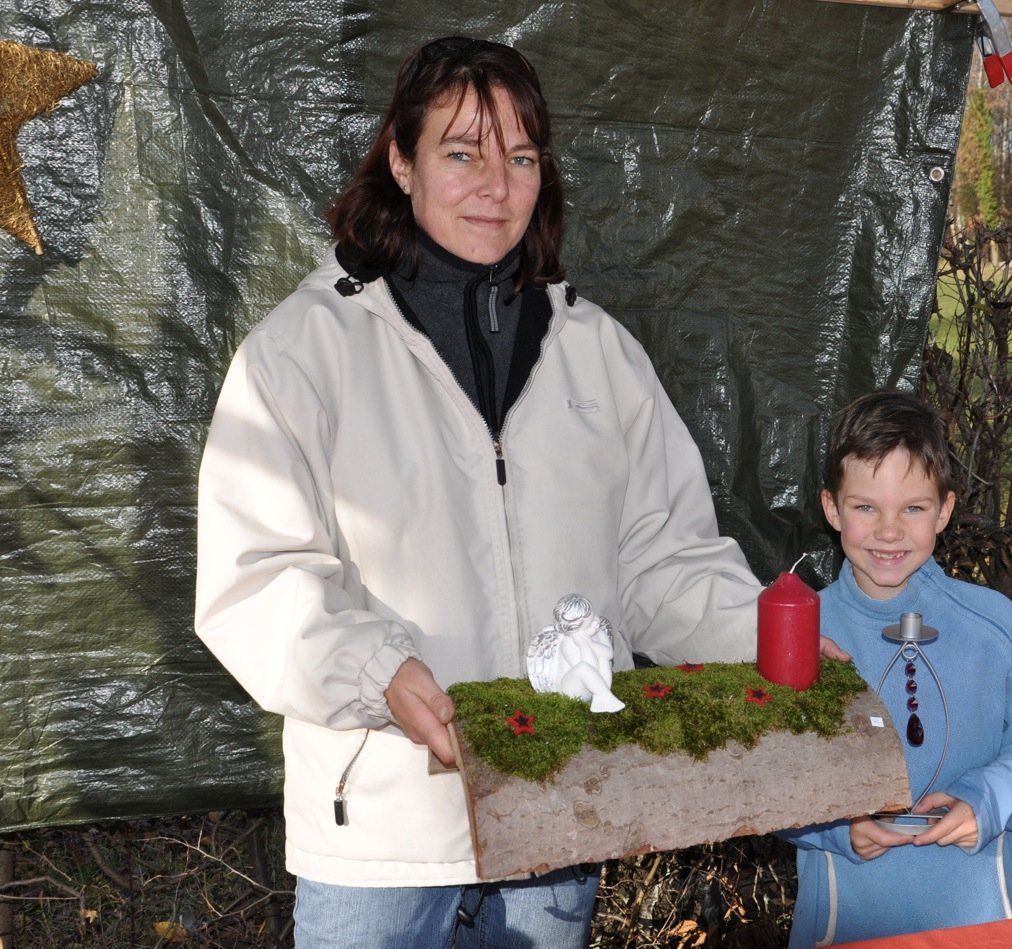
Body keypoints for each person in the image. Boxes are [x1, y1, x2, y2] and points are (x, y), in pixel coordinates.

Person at [193, 36, 764, 948]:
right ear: (401, 161)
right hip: (382, 830)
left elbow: (665, 560)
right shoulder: (303, 349)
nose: (496, 187)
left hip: (558, 813)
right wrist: (379, 673)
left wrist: (776, 637)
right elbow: (255, 575)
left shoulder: (598, 352)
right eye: (462, 153)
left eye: (522, 158)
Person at [780, 390, 1012, 947]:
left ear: (944, 510)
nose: (888, 531)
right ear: (831, 508)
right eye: (865, 507)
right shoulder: (801, 635)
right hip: (842, 929)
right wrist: (836, 826)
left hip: (982, 927)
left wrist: (987, 800)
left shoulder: (1000, 629)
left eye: (913, 509)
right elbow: (767, 778)